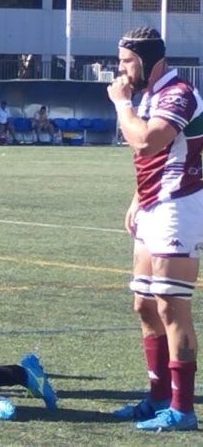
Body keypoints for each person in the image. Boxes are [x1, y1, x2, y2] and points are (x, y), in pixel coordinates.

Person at [108, 27, 203, 432]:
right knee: (144, 304)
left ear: (151, 61)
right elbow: (149, 160)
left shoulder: (178, 93)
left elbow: (145, 142)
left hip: (180, 206)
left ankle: (182, 409)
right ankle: (158, 397)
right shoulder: (149, 94)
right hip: (152, 205)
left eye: (127, 61)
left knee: (170, 306)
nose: (120, 70)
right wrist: (136, 198)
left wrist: (120, 105)